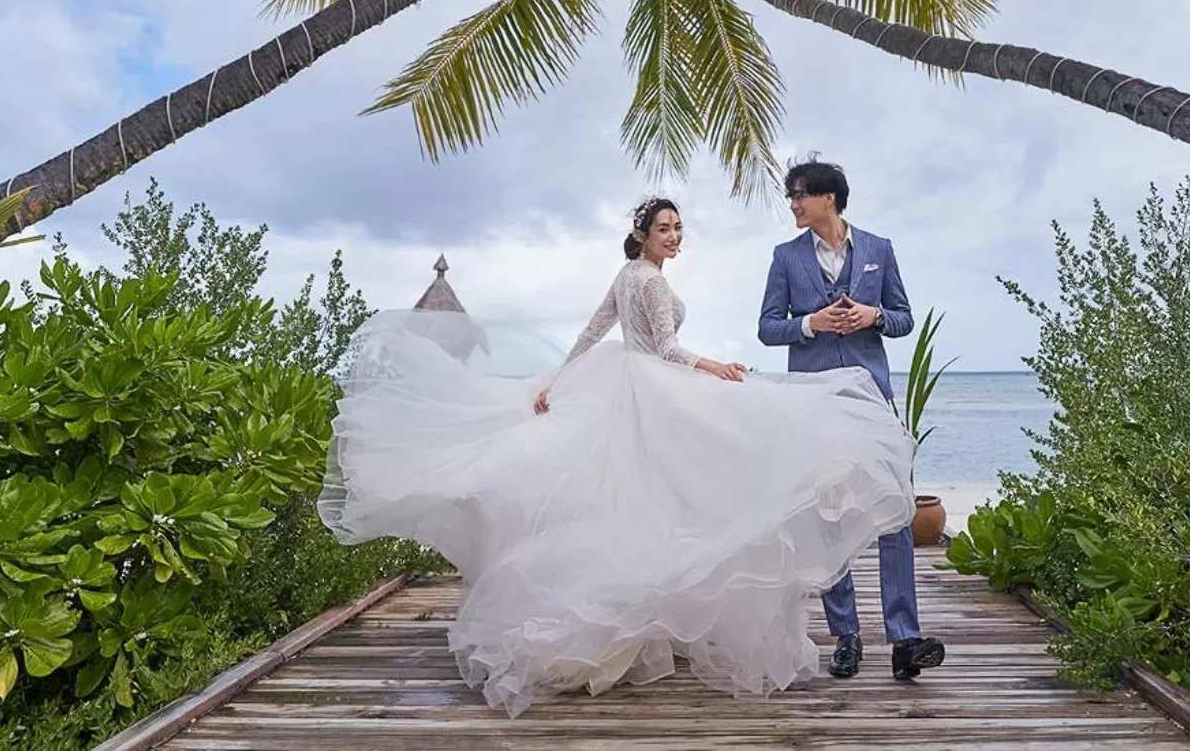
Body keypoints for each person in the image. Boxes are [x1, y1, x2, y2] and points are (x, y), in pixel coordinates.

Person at [319, 197, 915, 717]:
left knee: (634, 506)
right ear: (642, 235)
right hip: (652, 391)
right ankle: (638, 619)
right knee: (685, 498)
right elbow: (664, 349)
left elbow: (592, 331)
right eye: (665, 229)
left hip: (620, 384)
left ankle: (630, 620)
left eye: (679, 228)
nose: (674, 237)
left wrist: (559, 378)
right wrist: (717, 368)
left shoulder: (626, 274)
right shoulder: (649, 280)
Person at [759, 157, 946, 682]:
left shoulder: (879, 251)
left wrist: (874, 317)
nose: (792, 204)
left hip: (868, 397)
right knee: (827, 515)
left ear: (828, 199)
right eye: (791, 195)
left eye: (799, 194)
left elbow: (904, 318)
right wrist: (811, 324)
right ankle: (847, 635)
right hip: (814, 401)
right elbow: (768, 328)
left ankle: (905, 639)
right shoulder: (785, 257)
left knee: (895, 510)